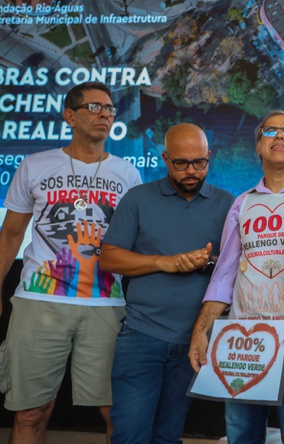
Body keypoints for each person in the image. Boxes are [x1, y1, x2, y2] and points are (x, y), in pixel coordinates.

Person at [0, 81, 142, 443]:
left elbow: (135, 245)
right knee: (31, 413)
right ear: (70, 115)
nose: (105, 115)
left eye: (110, 109)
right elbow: (10, 236)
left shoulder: (128, 174)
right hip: (39, 300)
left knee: (117, 415)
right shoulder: (34, 166)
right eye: (95, 107)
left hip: (106, 305)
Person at [99, 123, 234, 443]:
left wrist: (209, 262)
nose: (191, 171)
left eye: (199, 162)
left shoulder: (229, 204)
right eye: (181, 163)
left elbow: (237, 265)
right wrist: (165, 262)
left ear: (209, 157)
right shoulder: (138, 198)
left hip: (195, 340)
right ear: (165, 158)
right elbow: (108, 259)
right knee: (130, 434)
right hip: (142, 336)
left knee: (168, 435)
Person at [188, 110, 284, 444]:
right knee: (242, 435)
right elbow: (224, 273)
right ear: (258, 147)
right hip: (245, 341)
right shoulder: (243, 203)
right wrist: (201, 330)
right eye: (270, 131)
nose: (279, 137)